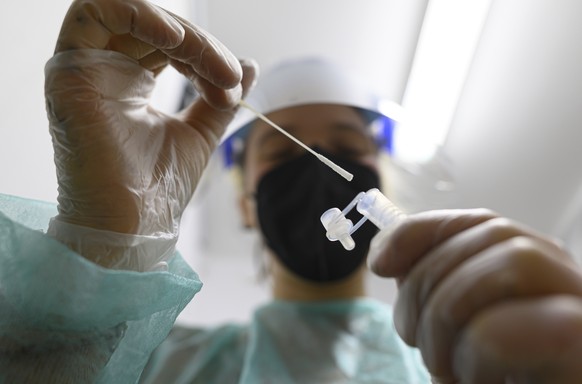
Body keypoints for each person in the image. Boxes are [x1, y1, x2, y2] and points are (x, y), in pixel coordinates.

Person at [0, 0, 581, 383]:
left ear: (381, 179)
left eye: (348, 148)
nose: (322, 167)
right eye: (286, 151)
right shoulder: (164, 367)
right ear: (246, 201)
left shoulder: (456, 366)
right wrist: (109, 234)